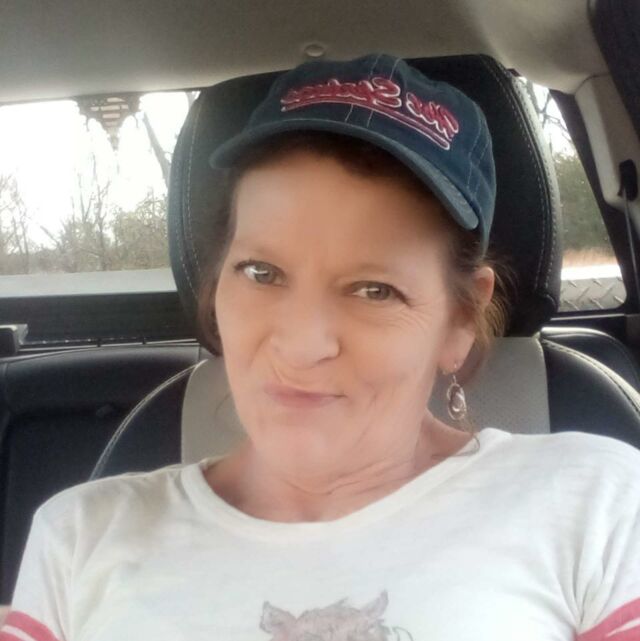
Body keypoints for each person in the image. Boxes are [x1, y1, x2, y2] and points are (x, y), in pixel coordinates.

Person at [2, 53, 639, 641]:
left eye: (374, 290)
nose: (303, 346)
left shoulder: (595, 502)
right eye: (261, 272)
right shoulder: (81, 535)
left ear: (460, 319)